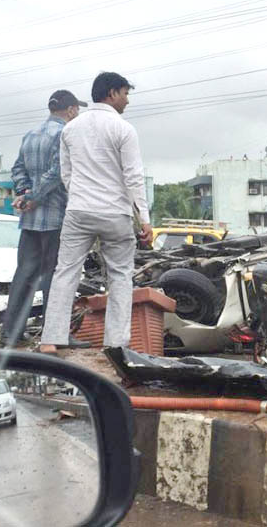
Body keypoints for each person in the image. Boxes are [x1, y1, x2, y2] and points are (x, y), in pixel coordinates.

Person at [40, 72, 152, 355]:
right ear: (112, 93)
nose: (127, 100)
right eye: (125, 93)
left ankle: (50, 339)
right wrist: (145, 221)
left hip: (78, 211)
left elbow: (67, 175)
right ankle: (116, 344)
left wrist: (81, 195)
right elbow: (134, 178)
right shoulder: (124, 129)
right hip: (115, 214)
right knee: (120, 276)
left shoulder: (71, 129)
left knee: (65, 271)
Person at [1, 90, 90, 348]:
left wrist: (24, 194)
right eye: (77, 111)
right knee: (57, 276)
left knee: (25, 274)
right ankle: (56, 335)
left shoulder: (30, 135)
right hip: (55, 216)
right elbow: (57, 172)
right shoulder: (65, 135)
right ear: (71, 110)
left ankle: (11, 333)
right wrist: (35, 197)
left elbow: (17, 168)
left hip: (30, 220)